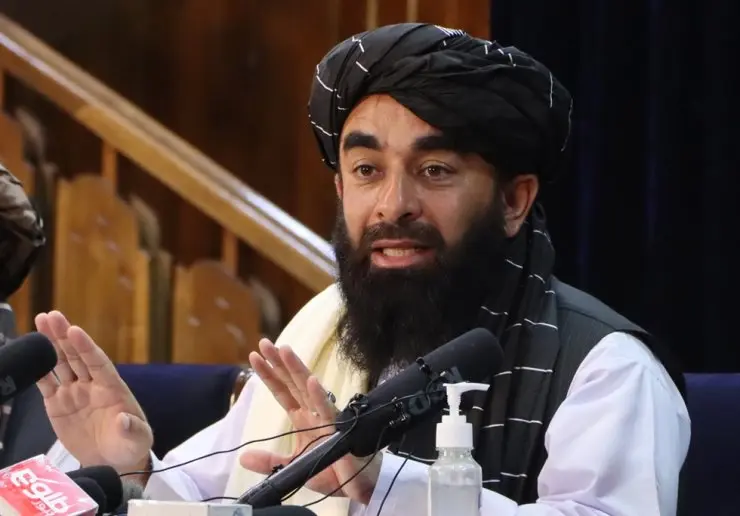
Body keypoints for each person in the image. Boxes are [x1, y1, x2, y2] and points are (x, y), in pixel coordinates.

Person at [33, 23, 690, 515]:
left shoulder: (608, 368)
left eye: (435, 170)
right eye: (368, 170)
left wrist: (381, 484)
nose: (393, 205)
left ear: (514, 200)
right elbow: (216, 495)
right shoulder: (322, 331)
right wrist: (133, 472)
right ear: (342, 188)